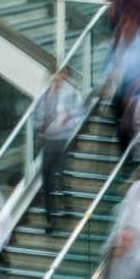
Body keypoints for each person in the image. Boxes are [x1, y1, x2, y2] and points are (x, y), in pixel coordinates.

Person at [34, 69, 82, 232]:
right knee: (47, 179)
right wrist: (40, 126)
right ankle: (50, 218)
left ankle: (66, 203)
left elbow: (78, 114)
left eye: (58, 80)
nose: (55, 83)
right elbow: (35, 118)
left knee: (60, 174)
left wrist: (65, 123)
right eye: (53, 80)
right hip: (48, 142)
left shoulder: (67, 96)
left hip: (62, 141)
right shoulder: (43, 98)